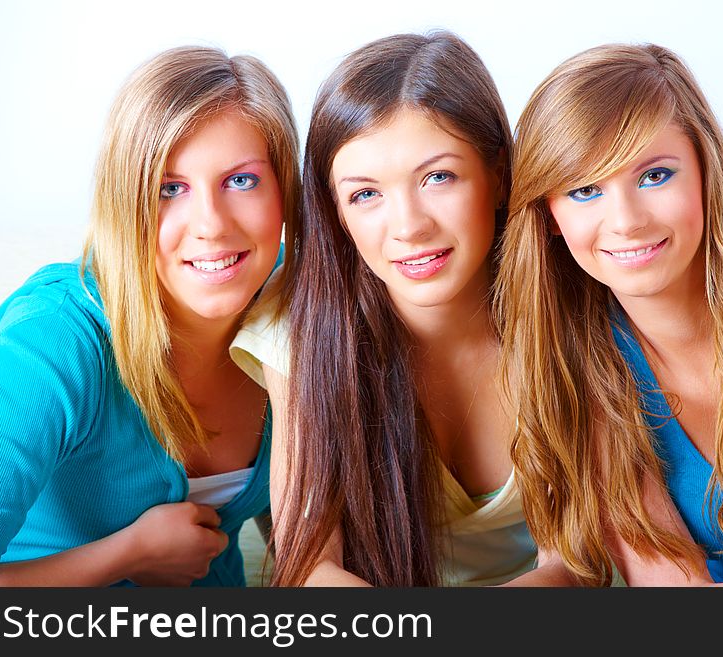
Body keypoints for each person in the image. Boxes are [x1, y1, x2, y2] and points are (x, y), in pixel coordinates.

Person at [496, 43, 723, 586]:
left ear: (705, 172)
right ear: (549, 217)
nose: (626, 221)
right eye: (585, 189)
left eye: (654, 176)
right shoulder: (582, 362)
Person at [231, 31, 571, 586]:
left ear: (500, 176)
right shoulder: (301, 325)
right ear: (336, 211)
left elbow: (572, 564)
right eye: (366, 194)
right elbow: (309, 567)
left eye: (438, 177)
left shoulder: (565, 301)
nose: (409, 225)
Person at [0, 46, 300, 586]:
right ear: (124, 203)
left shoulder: (304, 305)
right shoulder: (53, 342)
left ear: (286, 190)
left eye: (241, 180)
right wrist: (127, 555)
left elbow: (302, 521)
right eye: (168, 189)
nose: (211, 225)